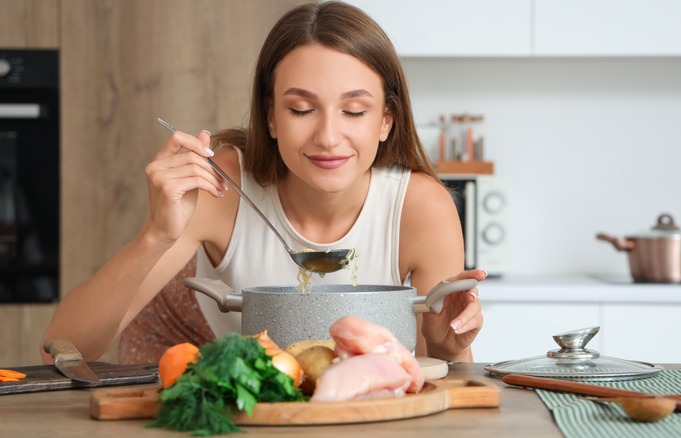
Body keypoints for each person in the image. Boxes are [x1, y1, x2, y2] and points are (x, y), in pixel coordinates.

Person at [40, 1, 485, 364]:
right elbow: (62, 350)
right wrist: (157, 235)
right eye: (301, 109)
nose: (329, 137)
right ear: (270, 115)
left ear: (386, 120)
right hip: (194, 345)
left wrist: (450, 345)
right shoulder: (222, 187)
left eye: (354, 111)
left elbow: (438, 372)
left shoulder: (419, 206)